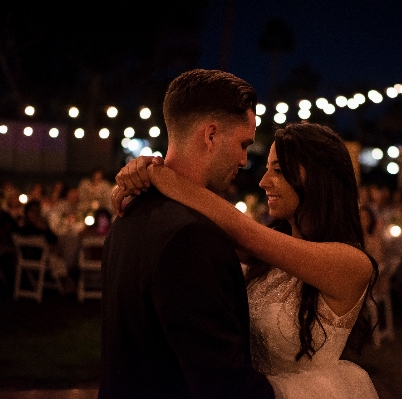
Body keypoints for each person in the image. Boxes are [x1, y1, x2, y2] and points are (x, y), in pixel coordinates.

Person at [114, 122, 380, 398]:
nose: (263, 181)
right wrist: (145, 168)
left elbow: (239, 229)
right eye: (267, 169)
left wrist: (160, 175)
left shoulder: (352, 264)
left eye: (277, 170)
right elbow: (215, 226)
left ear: (318, 176)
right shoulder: (266, 255)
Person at [100, 69, 274, 399]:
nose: (243, 159)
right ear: (210, 135)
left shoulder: (129, 212)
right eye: (242, 144)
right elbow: (224, 386)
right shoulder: (193, 237)